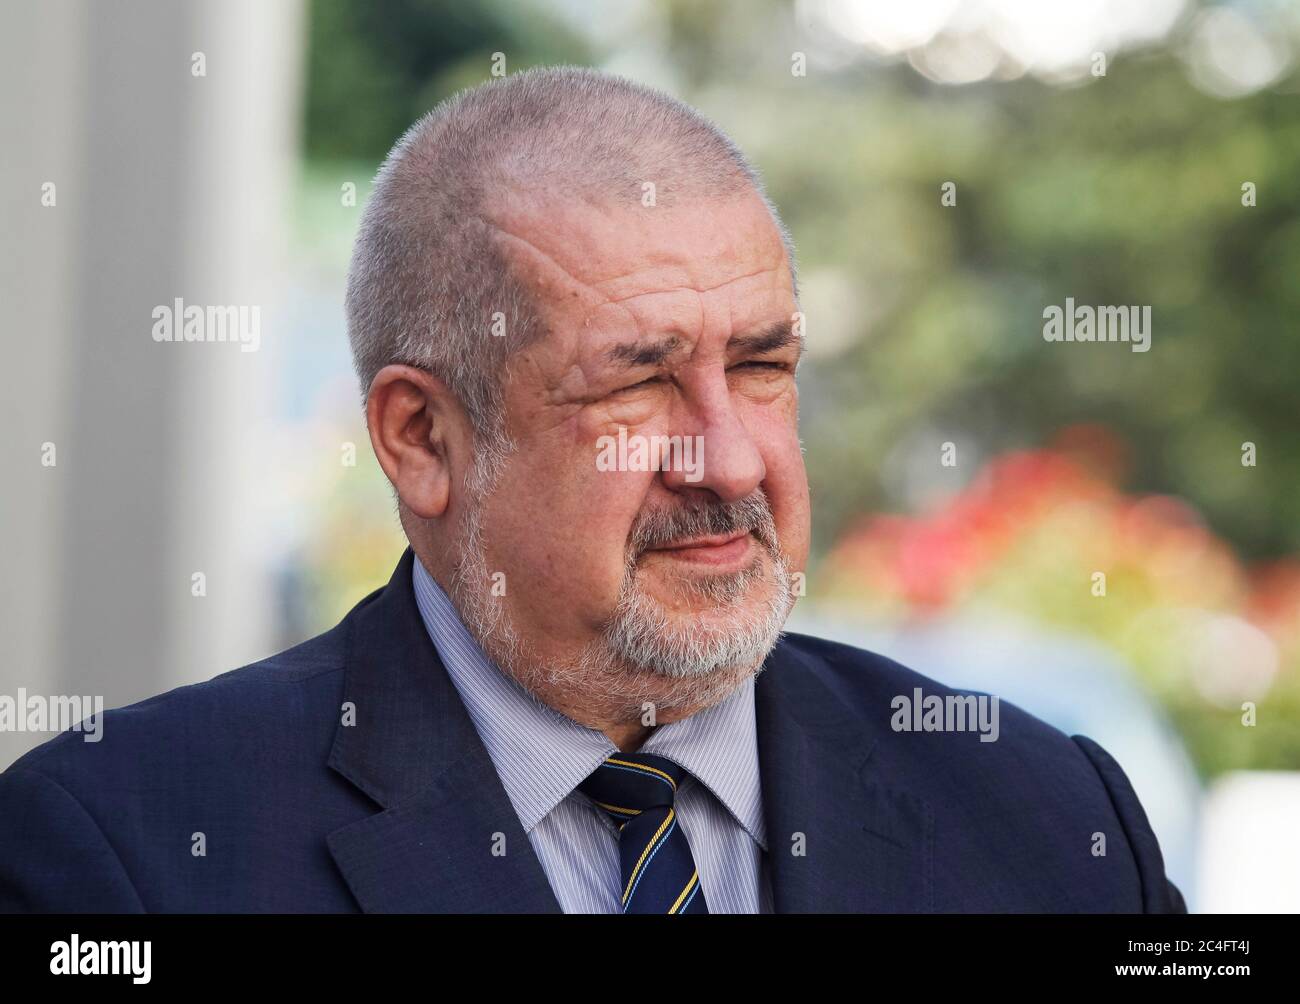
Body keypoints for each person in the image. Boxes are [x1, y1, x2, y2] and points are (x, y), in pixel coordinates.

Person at [0, 67, 1184, 913]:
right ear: (422, 438)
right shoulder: (125, 848)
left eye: (762, 367)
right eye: (639, 384)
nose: (728, 459)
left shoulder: (1047, 818)